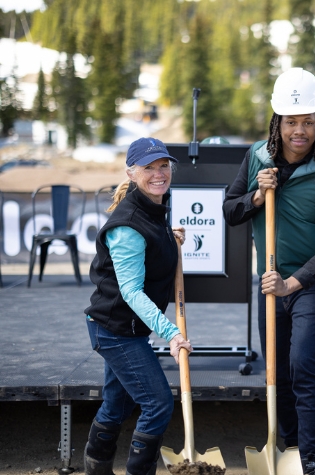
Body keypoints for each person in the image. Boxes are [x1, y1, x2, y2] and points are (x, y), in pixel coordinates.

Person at [223, 68, 315, 474]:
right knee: (276, 370)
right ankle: (290, 449)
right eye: (292, 121)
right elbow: (230, 211)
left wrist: (292, 283)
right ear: (277, 123)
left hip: (312, 284)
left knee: (303, 364)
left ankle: (312, 459)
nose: (301, 131)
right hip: (270, 282)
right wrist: (257, 196)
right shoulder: (257, 158)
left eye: (308, 122)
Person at [84, 137, 193, 475]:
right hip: (116, 330)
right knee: (158, 404)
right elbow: (131, 292)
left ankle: (95, 468)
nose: (159, 174)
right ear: (131, 173)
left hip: (125, 328)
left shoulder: (154, 204)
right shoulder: (127, 225)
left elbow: (151, 239)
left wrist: (169, 236)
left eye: (164, 166)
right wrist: (171, 334)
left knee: (116, 404)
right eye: (149, 168)